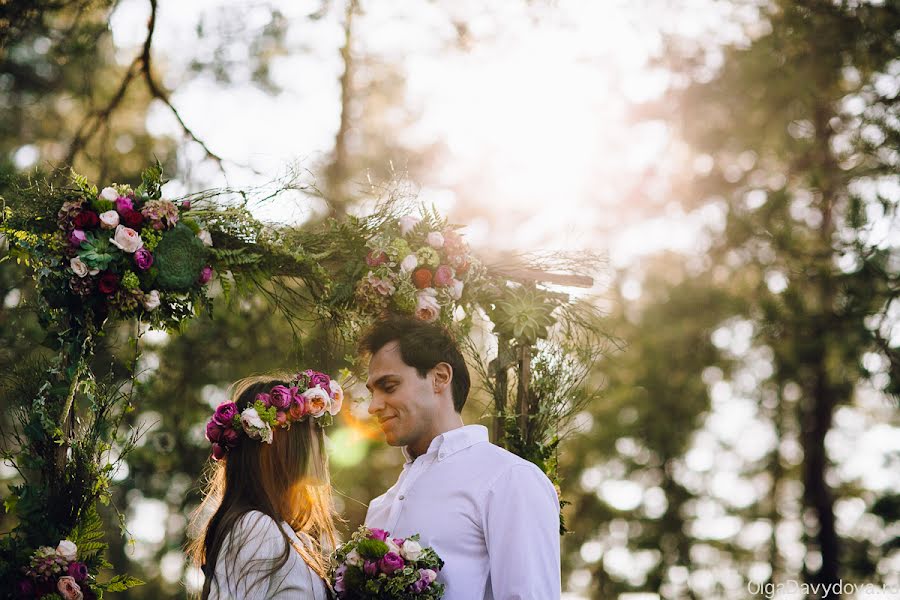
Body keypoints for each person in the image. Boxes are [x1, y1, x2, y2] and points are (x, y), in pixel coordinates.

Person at [361, 315, 562, 600]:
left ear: (440, 378)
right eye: (372, 392)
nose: (373, 406)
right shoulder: (381, 506)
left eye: (389, 386)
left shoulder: (508, 479)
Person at [187, 372, 344, 600]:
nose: (327, 447)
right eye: (315, 432)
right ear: (280, 440)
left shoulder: (291, 536)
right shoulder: (255, 527)